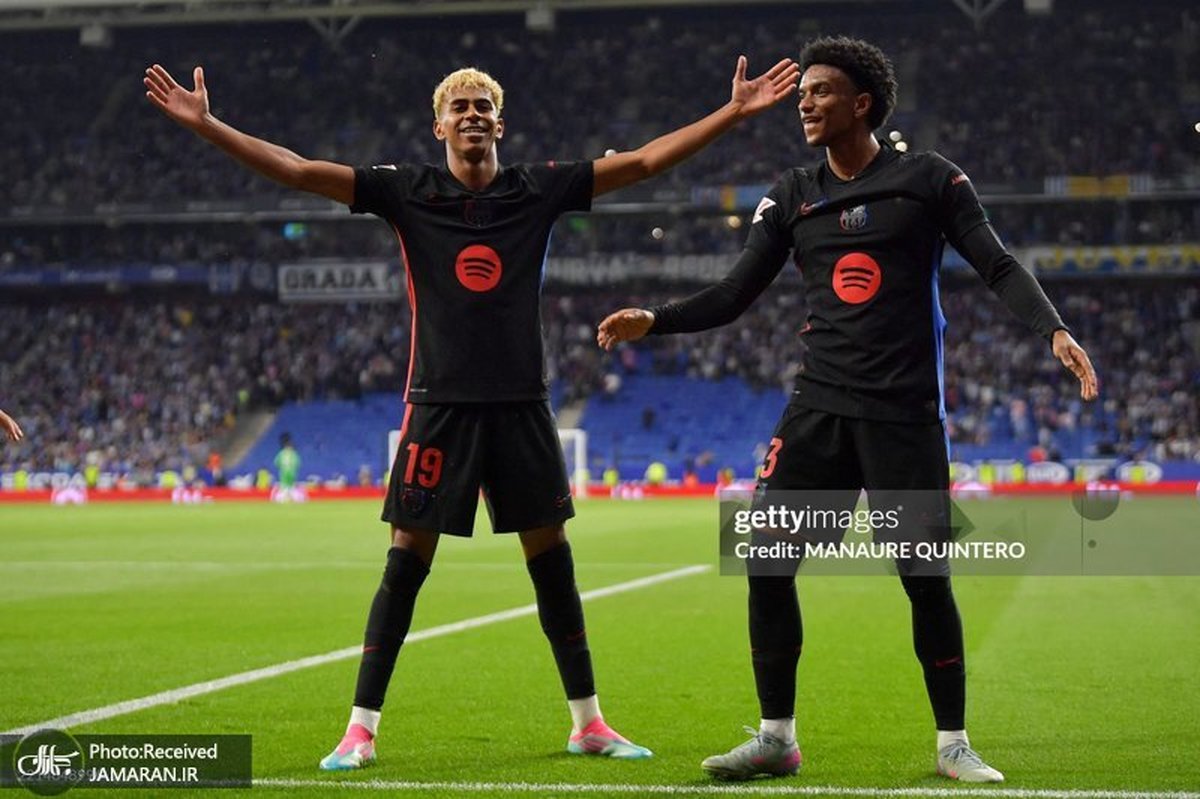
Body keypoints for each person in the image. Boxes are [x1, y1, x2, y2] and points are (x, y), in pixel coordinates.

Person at [145, 54, 800, 770]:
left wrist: (732, 112)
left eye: (483, 105)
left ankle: (588, 723)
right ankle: (360, 729)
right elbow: (300, 171)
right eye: (458, 106)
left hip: (521, 404)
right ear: (439, 127)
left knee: (552, 564)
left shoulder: (537, 189)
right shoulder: (406, 191)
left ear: (499, 123)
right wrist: (209, 126)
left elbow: (643, 162)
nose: (472, 114)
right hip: (440, 404)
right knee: (405, 564)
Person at [598, 35, 1098, 783]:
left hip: (904, 415)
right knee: (766, 560)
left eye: (821, 91)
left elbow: (996, 263)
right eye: (802, 92)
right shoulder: (791, 194)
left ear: (861, 103)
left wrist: (1052, 328)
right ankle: (776, 738)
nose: (804, 102)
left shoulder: (929, 179)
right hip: (819, 409)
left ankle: (953, 744)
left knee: (925, 578)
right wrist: (656, 319)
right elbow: (733, 294)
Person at [273, 433, 302, 502]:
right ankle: (298, 499)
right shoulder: (294, 453)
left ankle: (279, 499)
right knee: (292, 486)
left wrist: (282, 466)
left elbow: (276, 463)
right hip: (292, 472)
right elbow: (298, 463)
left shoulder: (281, 453)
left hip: (284, 472)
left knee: (284, 487)